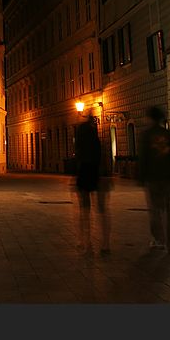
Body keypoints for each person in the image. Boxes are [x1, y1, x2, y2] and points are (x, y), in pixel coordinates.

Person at [138, 106, 170, 254]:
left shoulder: (146, 135)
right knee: (169, 210)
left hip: (152, 177)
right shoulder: (169, 135)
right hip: (168, 177)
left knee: (155, 209)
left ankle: (158, 240)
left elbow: (143, 158)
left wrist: (141, 176)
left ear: (150, 118)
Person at [74, 109, 111, 254]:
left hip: (84, 172)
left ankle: (86, 242)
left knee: (84, 209)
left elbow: (78, 157)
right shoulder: (97, 141)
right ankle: (105, 243)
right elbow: (103, 157)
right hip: (97, 173)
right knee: (102, 210)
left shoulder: (81, 144)